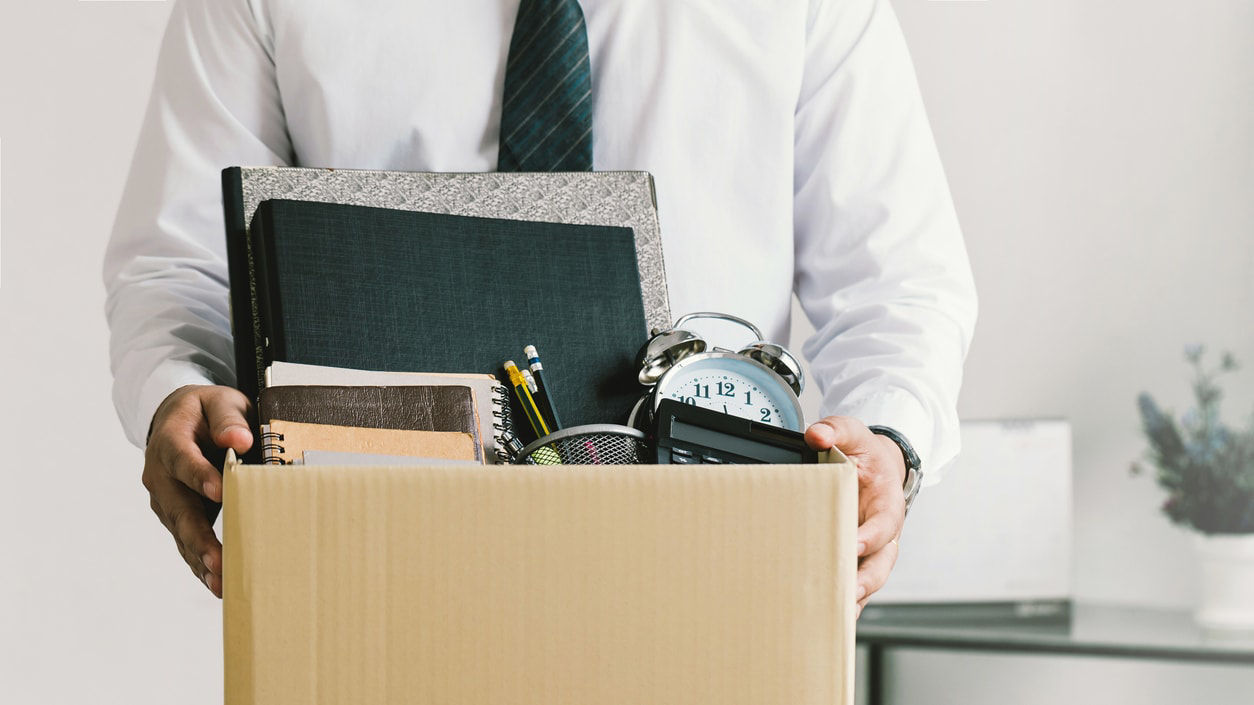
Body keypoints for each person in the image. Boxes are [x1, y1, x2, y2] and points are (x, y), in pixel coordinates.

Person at [104, 0, 977, 615]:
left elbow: (898, 285)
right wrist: (174, 390)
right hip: (377, 573)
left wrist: (888, 442)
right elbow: (181, 263)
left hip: (712, 567)